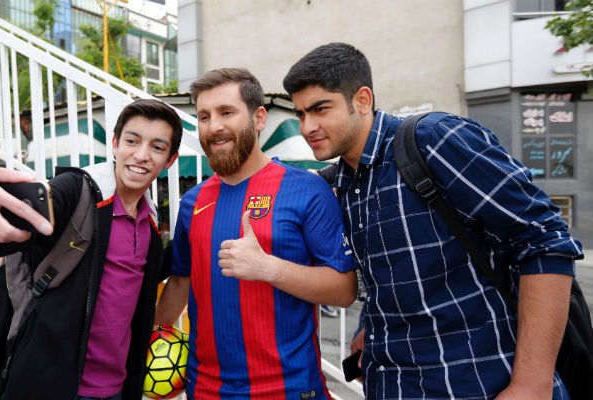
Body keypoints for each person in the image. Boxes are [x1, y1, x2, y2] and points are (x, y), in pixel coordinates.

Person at [282, 42, 583, 400]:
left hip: (481, 382)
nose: (307, 127)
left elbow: (544, 242)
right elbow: (394, 273)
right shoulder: (343, 182)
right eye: (300, 114)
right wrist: (373, 328)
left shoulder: (434, 139)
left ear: (362, 100)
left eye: (320, 109)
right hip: (392, 384)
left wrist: (531, 384)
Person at [0, 99, 182, 400]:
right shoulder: (77, 190)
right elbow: (23, 217)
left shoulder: (149, 221)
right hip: (51, 384)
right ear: (115, 144)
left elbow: (138, 277)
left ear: (170, 160)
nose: (141, 155)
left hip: (118, 388)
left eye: (157, 147)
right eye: (132, 141)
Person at [154, 68, 357, 399]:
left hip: (289, 390)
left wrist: (268, 268)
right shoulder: (193, 201)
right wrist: (148, 342)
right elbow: (179, 282)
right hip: (204, 390)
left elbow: (345, 289)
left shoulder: (307, 189)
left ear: (259, 118)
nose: (213, 126)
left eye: (226, 112)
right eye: (204, 116)